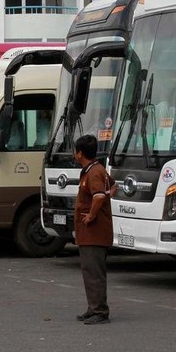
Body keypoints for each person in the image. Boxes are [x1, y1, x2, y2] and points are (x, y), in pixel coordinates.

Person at [73, 134, 116, 325]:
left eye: (75, 151)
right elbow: (113, 187)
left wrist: (91, 215)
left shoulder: (94, 173)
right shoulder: (94, 170)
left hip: (95, 232)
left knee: (94, 272)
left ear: (80, 153)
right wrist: (106, 197)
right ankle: (93, 307)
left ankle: (100, 310)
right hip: (89, 233)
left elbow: (98, 196)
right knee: (90, 271)